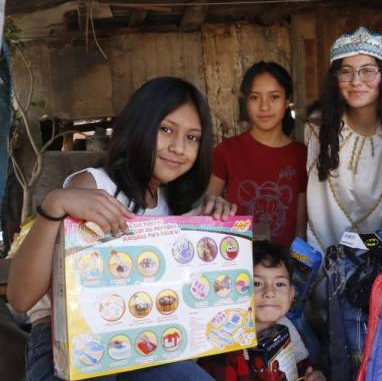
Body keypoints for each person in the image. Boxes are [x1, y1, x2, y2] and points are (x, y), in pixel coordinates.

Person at [7, 77, 236, 381]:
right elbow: (21, 299)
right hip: (67, 341)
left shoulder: (175, 206)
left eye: (192, 137)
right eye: (166, 129)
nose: (179, 147)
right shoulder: (92, 185)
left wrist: (215, 222)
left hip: (146, 344)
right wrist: (54, 205)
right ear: (138, 126)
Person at [305, 26, 382, 251]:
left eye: (368, 71)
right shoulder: (318, 126)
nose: (356, 81)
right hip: (329, 251)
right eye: (346, 71)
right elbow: (317, 199)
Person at [207, 62, 307, 248]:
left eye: (274, 97)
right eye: (255, 98)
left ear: (287, 102)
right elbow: (208, 208)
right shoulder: (226, 151)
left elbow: (300, 227)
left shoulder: (301, 155)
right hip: (236, 261)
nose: (264, 107)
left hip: (283, 268)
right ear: (246, 102)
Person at [199, 241, 325, 381]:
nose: (269, 292)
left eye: (279, 284)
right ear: (235, 292)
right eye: (256, 283)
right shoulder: (223, 349)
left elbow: (301, 373)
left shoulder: (290, 334)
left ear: (291, 294)